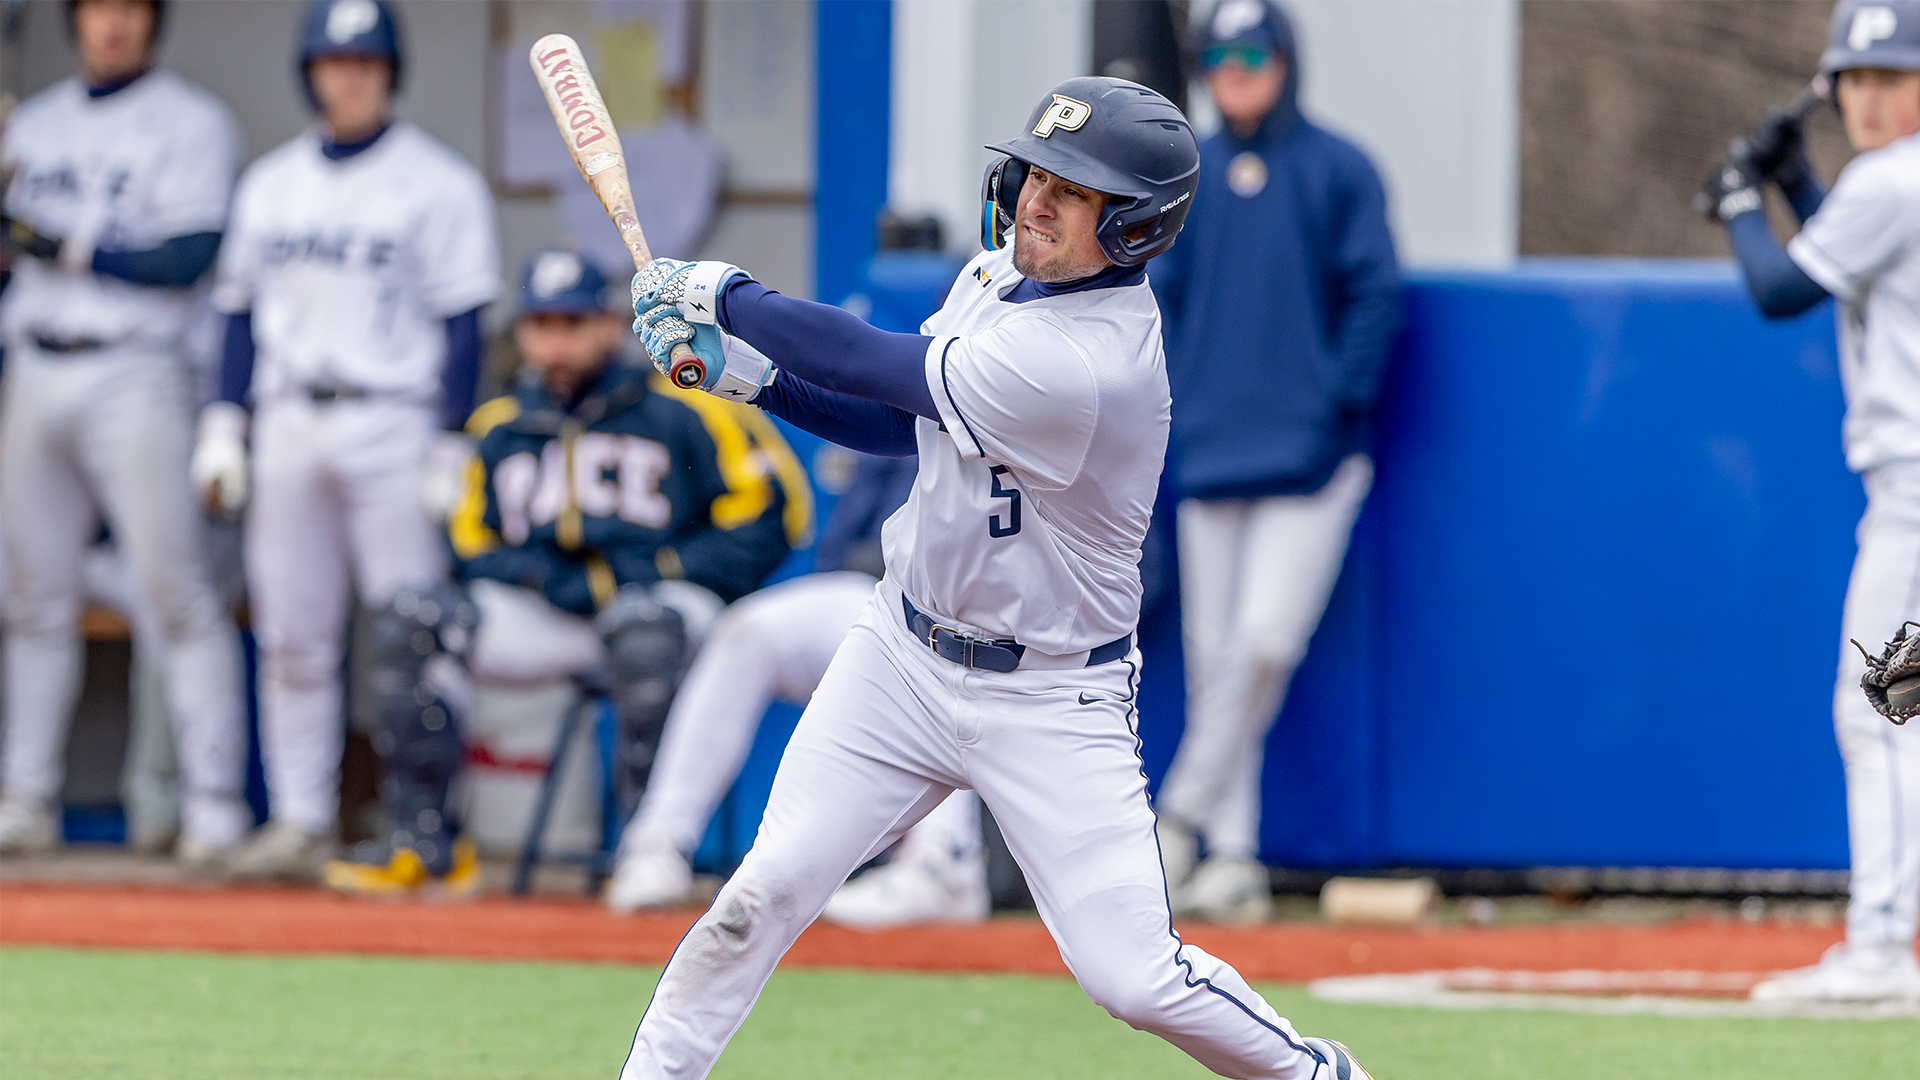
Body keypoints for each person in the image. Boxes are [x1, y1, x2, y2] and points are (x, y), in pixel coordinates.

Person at [617, 76, 1373, 1080]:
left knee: (1134, 980)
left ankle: (1317, 1074)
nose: (1037, 201)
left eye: (1076, 191)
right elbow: (901, 421)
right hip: (902, 657)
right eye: (1038, 174)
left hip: (1052, 695)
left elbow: (875, 361)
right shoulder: (993, 277)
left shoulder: (1094, 363)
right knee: (756, 899)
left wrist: (727, 295)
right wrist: (748, 375)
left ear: (1137, 228)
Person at [320, 249, 807, 897]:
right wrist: (537, 577)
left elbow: (776, 512)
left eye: (572, 324)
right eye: (540, 324)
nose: (555, 342)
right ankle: (425, 847)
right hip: (549, 617)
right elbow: (468, 538)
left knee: (642, 628)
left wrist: (662, 568)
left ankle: (649, 854)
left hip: (665, 609)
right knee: (412, 619)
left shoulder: (684, 402)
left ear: (610, 325)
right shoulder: (500, 425)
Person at [193, 0, 501, 881]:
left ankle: (426, 820)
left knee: (413, 630)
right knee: (292, 633)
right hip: (291, 411)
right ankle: (300, 819)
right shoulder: (272, 182)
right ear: (312, 74)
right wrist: (224, 423)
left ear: (390, 72)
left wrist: (451, 441)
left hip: (393, 415)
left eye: (366, 63)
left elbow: (466, 325)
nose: (350, 78)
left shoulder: (437, 182)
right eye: (335, 63)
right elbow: (237, 314)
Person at [1146, 0, 1400, 922]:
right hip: (1213, 452)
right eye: (1218, 58)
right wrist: (1179, 407)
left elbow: (1375, 294)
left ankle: (1176, 820)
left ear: (1285, 63)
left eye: (1251, 56)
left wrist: (1337, 404)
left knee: (1263, 645)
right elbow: (1158, 304)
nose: (1235, 72)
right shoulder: (1187, 177)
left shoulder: (1340, 168)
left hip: (1315, 460)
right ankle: (1233, 855)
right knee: (1213, 656)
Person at [1700, 0, 1920, 1004]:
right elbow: (1850, 252)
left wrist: (1742, 201)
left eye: (1891, 77)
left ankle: (1879, 950)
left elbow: (1783, 290)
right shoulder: (1890, 184)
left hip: (1914, 489)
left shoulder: (1893, 178)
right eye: (1855, 79)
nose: (1868, 97)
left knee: (1880, 703)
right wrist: (1791, 183)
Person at [0, 0, 250, 866]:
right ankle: (24, 796)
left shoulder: (190, 121)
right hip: (36, 360)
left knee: (175, 592)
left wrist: (63, 246)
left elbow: (188, 255)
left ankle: (212, 807)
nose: (113, 24)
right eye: (99, 8)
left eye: (131, 9)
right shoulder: (34, 122)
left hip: (136, 368)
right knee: (33, 598)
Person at [606, 453, 994, 930]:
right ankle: (659, 842)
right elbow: (842, 547)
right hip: (872, 591)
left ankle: (945, 861)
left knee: (931, 648)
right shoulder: (906, 416)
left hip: (963, 609)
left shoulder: (993, 413)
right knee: (747, 633)